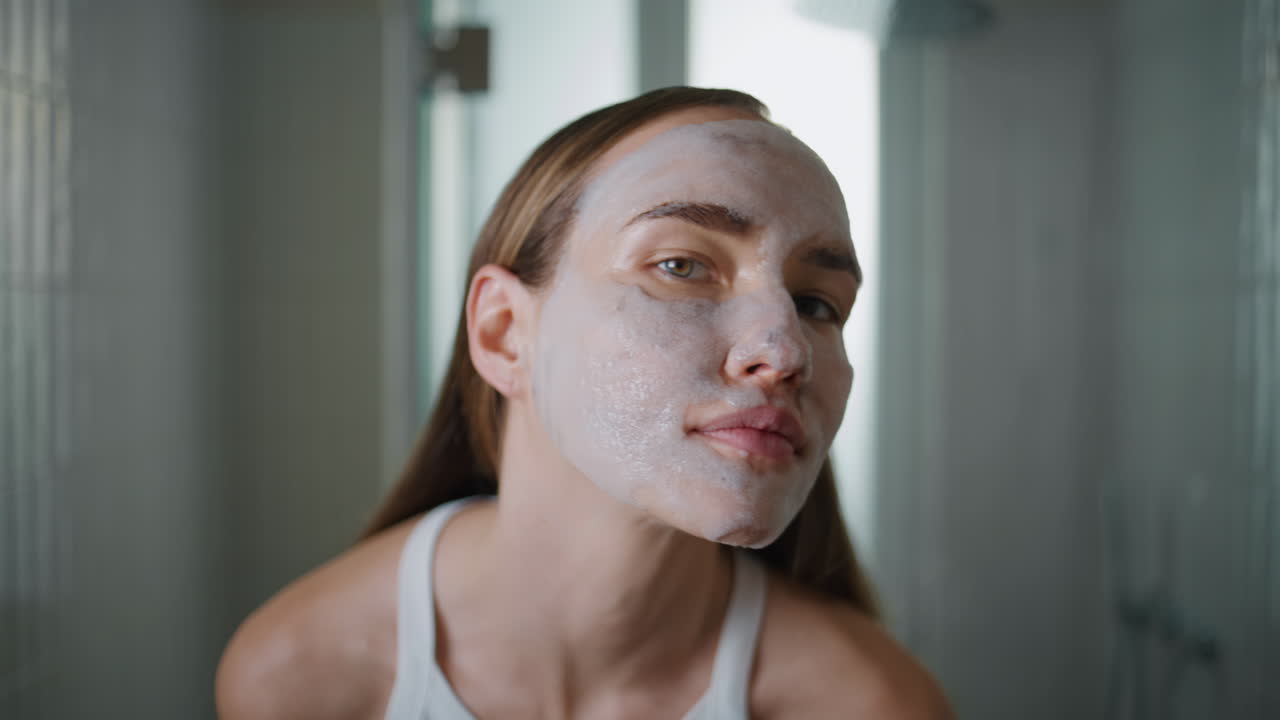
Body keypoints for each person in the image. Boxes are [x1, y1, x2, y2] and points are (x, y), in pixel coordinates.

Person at [215, 86, 952, 720]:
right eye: (680, 265)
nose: (785, 351)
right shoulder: (304, 675)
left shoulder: (866, 703)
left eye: (817, 304)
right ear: (506, 335)